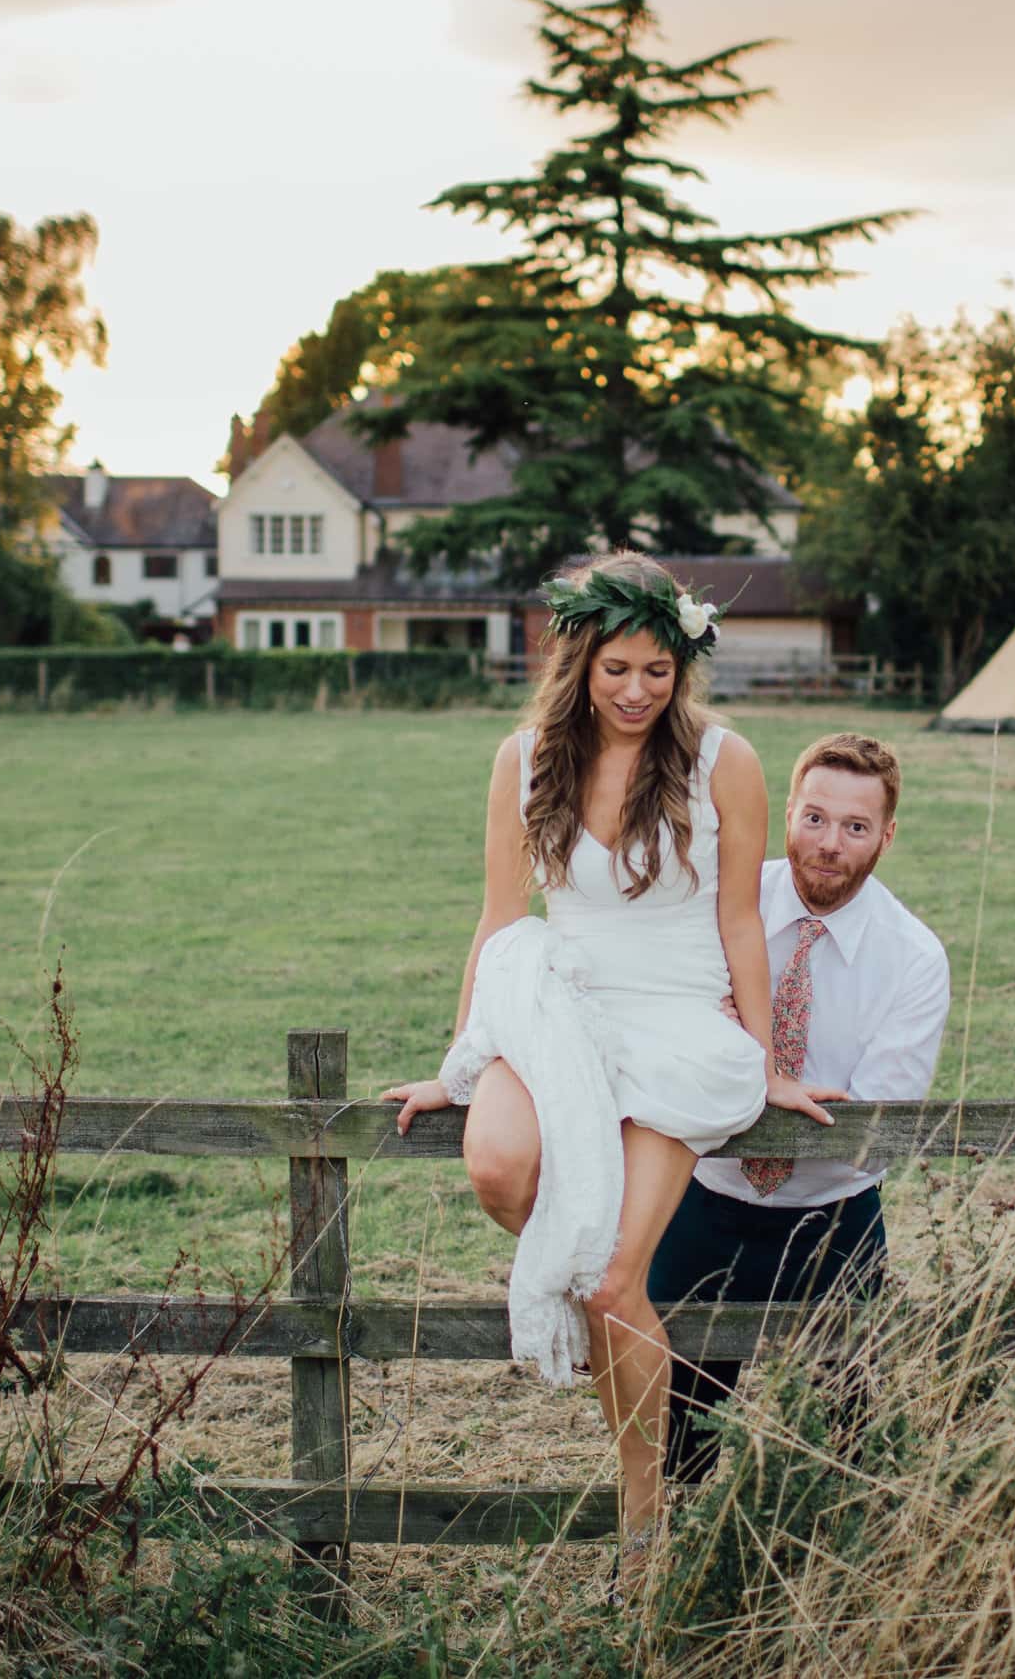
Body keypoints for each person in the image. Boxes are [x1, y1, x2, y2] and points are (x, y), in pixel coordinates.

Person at [378, 552, 834, 1560]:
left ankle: (642, 1514)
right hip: (557, 1000)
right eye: (617, 669)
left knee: (614, 1280)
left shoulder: (726, 761)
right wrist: (458, 1061)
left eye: (658, 671)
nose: (637, 692)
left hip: (675, 1020)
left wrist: (769, 1064)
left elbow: (741, 925)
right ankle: (603, 1319)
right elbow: (500, 919)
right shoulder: (526, 758)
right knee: (498, 1165)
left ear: (683, 666)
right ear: (579, 660)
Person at [650, 732, 951, 1483]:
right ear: (787, 811)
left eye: (855, 828)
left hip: (833, 1221)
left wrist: (728, 1072)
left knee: (841, 1443)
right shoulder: (723, 903)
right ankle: (663, 1570)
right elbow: (666, 1047)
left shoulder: (914, 957)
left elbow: (870, 1131)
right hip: (704, 1204)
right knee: (674, 1430)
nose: (829, 845)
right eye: (814, 818)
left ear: (887, 834)